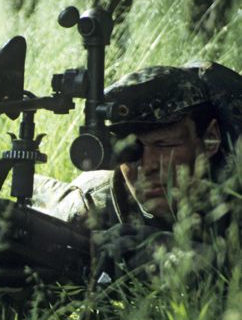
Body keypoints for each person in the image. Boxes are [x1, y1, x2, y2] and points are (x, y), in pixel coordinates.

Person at [34, 61, 242, 280]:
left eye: (164, 145)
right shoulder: (97, 202)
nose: (147, 165)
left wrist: (200, 264)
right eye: (131, 150)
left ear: (210, 139)